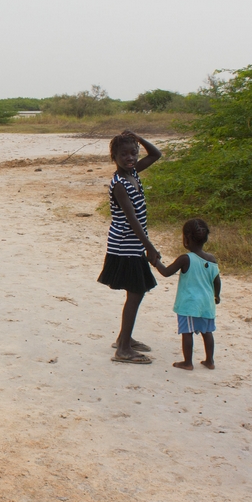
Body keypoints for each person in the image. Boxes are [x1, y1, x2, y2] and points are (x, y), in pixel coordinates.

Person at [97, 130, 162, 364]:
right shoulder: (120, 183)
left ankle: (124, 338)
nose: (130, 158)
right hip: (125, 243)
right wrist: (150, 247)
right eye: (123, 154)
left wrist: (139, 139)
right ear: (113, 157)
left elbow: (156, 154)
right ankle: (123, 349)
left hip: (132, 242)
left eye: (133, 153)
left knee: (135, 292)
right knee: (136, 292)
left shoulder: (133, 172)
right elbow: (132, 218)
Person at [151, 218, 221, 370]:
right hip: (207, 304)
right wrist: (217, 296)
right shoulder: (212, 259)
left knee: (187, 332)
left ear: (186, 239)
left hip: (189, 304)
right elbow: (217, 282)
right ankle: (210, 361)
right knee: (207, 332)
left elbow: (166, 272)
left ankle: (188, 362)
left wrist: (155, 262)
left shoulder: (185, 259)